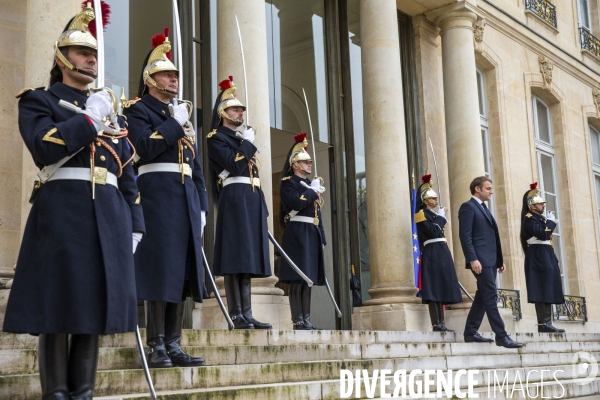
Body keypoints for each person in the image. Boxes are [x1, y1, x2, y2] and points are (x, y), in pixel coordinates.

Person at [2, 2, 144, 398]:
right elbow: (44, 149)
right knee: (58, 307)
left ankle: (82, 392)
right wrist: (88, 120)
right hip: (63, 210)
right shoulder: (39, 101)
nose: (92, 60)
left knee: (92, 310)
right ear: (63, 58)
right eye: (84, 52)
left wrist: (136, 222)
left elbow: (125, 168)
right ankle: (57, 393)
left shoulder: (111, 112)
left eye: (95, 54)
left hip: (109, 214)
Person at [124, 29, 208, 368]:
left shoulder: (182, 116)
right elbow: (143, 148)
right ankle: (156, 344)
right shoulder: (137, 109)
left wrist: (201, 204)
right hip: (157, 196)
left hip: (186, 197)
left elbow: (196, 165)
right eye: (167, 74)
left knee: (182, 271)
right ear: (149, 78)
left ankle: (174, 343)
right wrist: (173, 124)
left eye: (175, 75)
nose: (174, 79)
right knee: (160, 270)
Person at [207, 76, 272, 330]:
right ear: (223, 112)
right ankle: (236, 314)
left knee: (247, 257)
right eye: (235, 109)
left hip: (251, 199)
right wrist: (247, 143)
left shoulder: (240, 139)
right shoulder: (217, 138)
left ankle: (247, 313)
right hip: (234, 198)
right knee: (236, 257)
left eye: (242, 110)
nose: (240, 113)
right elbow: (233, 165)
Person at [458, 176, 522, 348]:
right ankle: (501, 336)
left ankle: (470, 332)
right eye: (488, 188)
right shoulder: (468, 207)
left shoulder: (484, 208)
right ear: (477, 189)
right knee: (491, 295)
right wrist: (473, 259)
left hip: (490, 260)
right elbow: (465, 236)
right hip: (480, 260)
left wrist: (499, 260)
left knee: (482, 296)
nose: (491, 191)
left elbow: (491, 237)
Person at [278, 133, 326, 330]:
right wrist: (312, 192)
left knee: (308, 279)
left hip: (311, 231)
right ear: (296, 164)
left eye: (310, 162)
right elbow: (296, 203)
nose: (309, 165)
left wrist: (321, 235)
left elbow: (317, 213)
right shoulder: (288, 183)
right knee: (298, 277)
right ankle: (298, 320)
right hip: (297, 231)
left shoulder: (308, 185)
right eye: (305, 162)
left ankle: (307, 318)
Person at [414, 174, 462, 331]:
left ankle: (442, 322)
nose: (436, 201)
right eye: (433, 199)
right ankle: (436, 323)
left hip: (442, 251)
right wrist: (441, 218)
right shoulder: (422, 215)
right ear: (425, 200)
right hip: (432, 251)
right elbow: (433, 231)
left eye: (435, 198)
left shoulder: (434, 215)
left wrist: (439, 217)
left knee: (441, 285)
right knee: (434, 287)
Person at [520, 182, 565, 333]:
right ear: (531, 204)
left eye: (542, 203)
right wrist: (552, 222)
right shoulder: (529, 218)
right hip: (538, 254)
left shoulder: (540, 219)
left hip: (546, 253)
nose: (543, 206)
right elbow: (543, 234)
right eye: (539, 204)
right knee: (541, 287)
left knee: (549, 286)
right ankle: (543, 323)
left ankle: (548, 322)